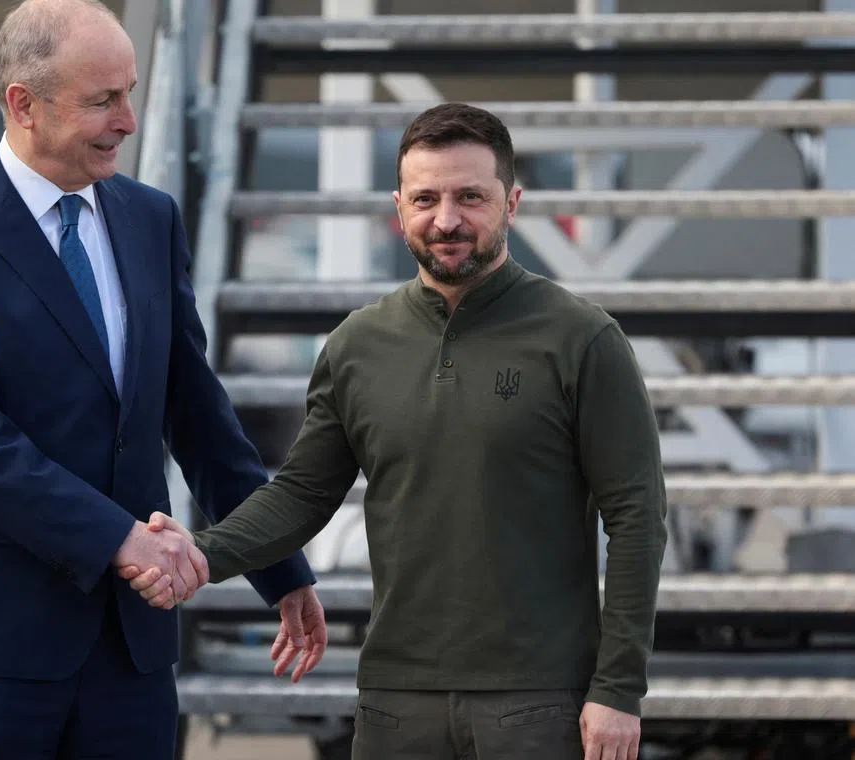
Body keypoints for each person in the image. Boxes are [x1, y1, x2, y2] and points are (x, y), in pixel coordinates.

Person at [125, 103, 668, 760]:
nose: (446, 220)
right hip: (395, 701)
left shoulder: (583, 340)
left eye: (471, 197)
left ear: (512, 202)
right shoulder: (358, 345)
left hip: (538, 700)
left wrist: (617, 689)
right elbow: (301, 493)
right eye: (426, 198)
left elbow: (637, 516)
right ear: (398, 206)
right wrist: (203, 556)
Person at [0, 0, 325, 756]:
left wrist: (279, 568)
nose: (128, 120)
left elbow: (198, 414)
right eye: (102, 100)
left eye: (131, 93)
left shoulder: (150, 219)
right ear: (23, 104)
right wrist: (120, 538)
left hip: (129, 652)